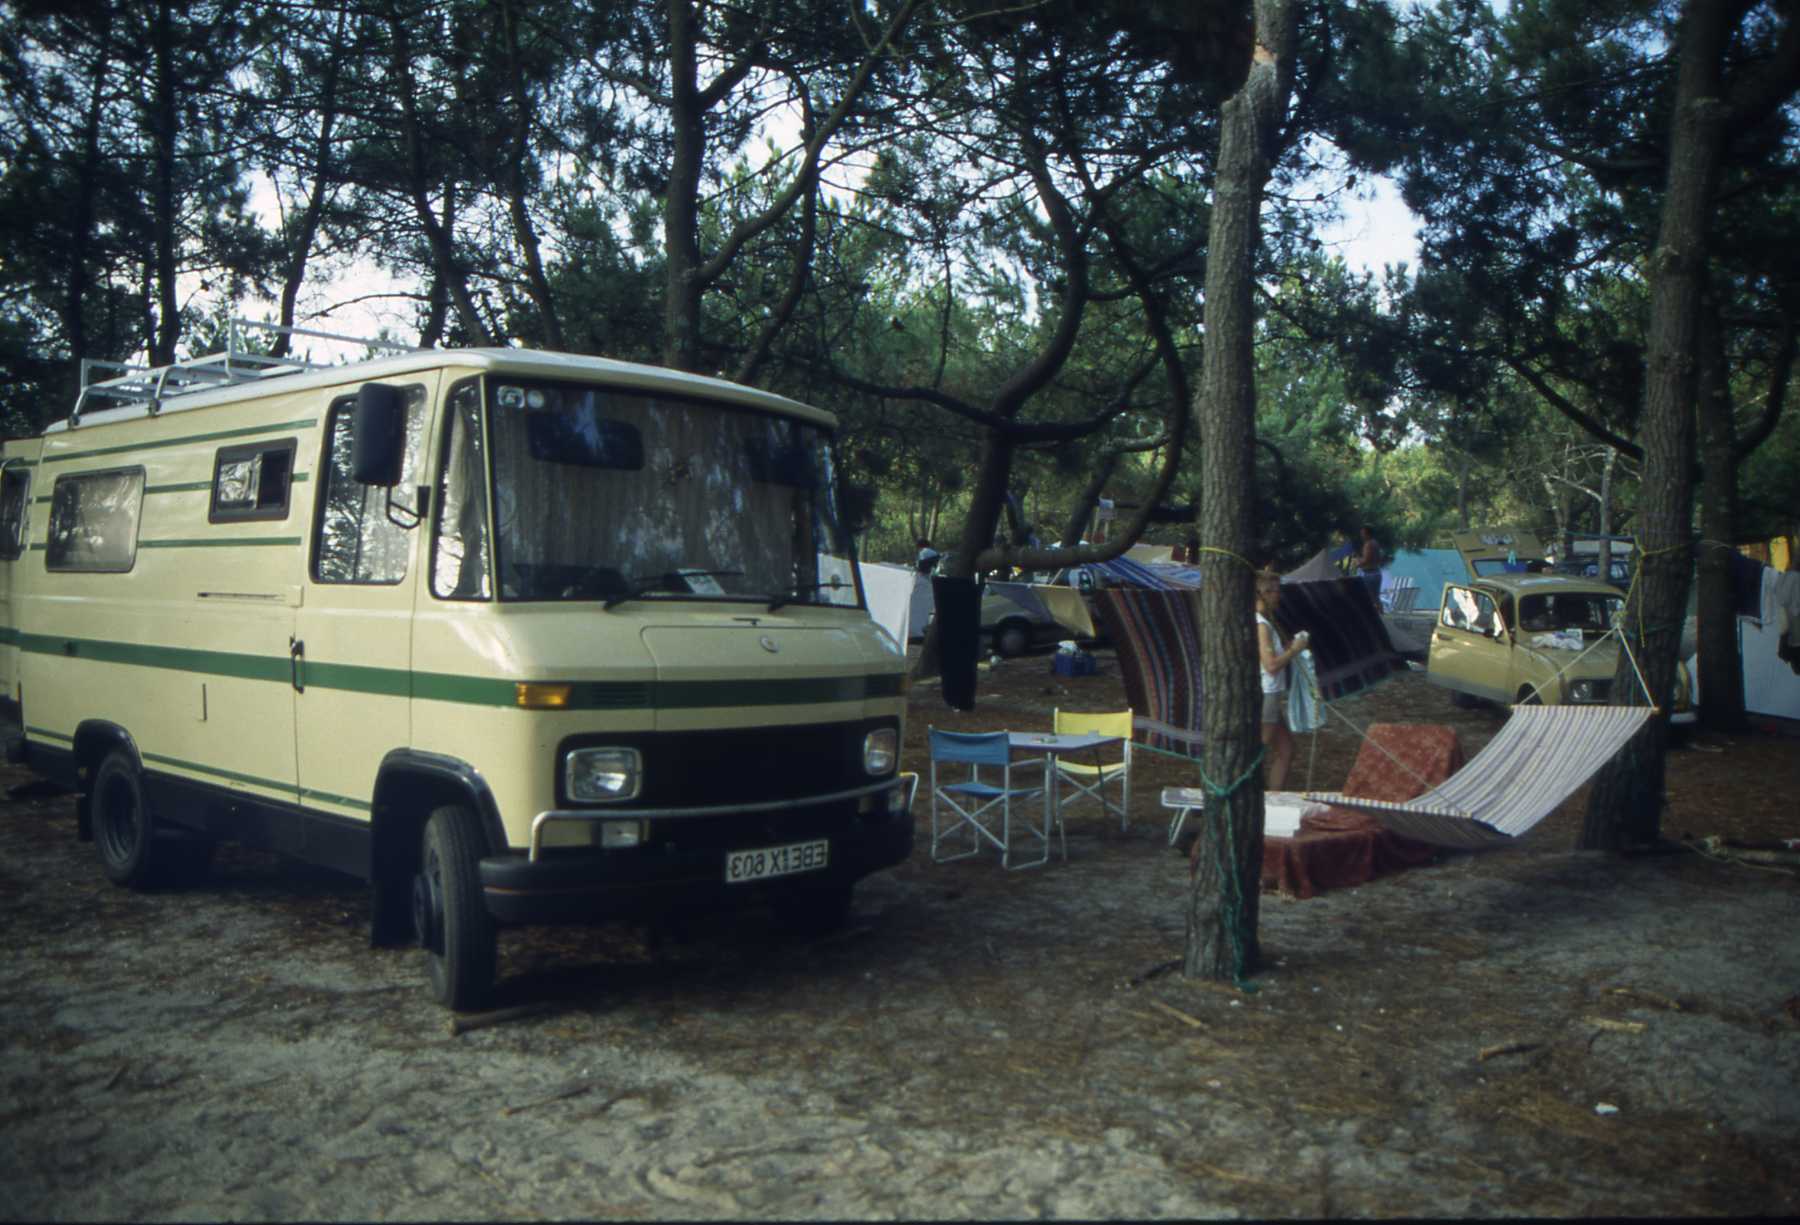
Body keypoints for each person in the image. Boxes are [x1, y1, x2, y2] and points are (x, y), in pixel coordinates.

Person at [1255, 571, 1309, 791]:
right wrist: (1294, 650)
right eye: (1273, 591)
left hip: (1273, 694)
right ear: (1262, 594)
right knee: (1257, 753)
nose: (1278, 596)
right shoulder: (1261, 625)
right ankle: (1248, 799)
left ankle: (1272, 799)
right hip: (1267, 694)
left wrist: (1287, 649)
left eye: (1278, 591)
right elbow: (1271, 666)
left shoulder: (1267, 622)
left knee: (1286, 750)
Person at [1356, 525, 1383, 601]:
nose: (1361, 535)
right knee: (1376, 599)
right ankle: (1379, 609)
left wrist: (1358, 562)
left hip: (1369, 575)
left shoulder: (1368, 544)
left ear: (1368, 534)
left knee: (1368, 598)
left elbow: (1366, 560)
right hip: (1377, 573)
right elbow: (1379, 558)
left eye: (1362, 533)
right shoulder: (1376, 543)